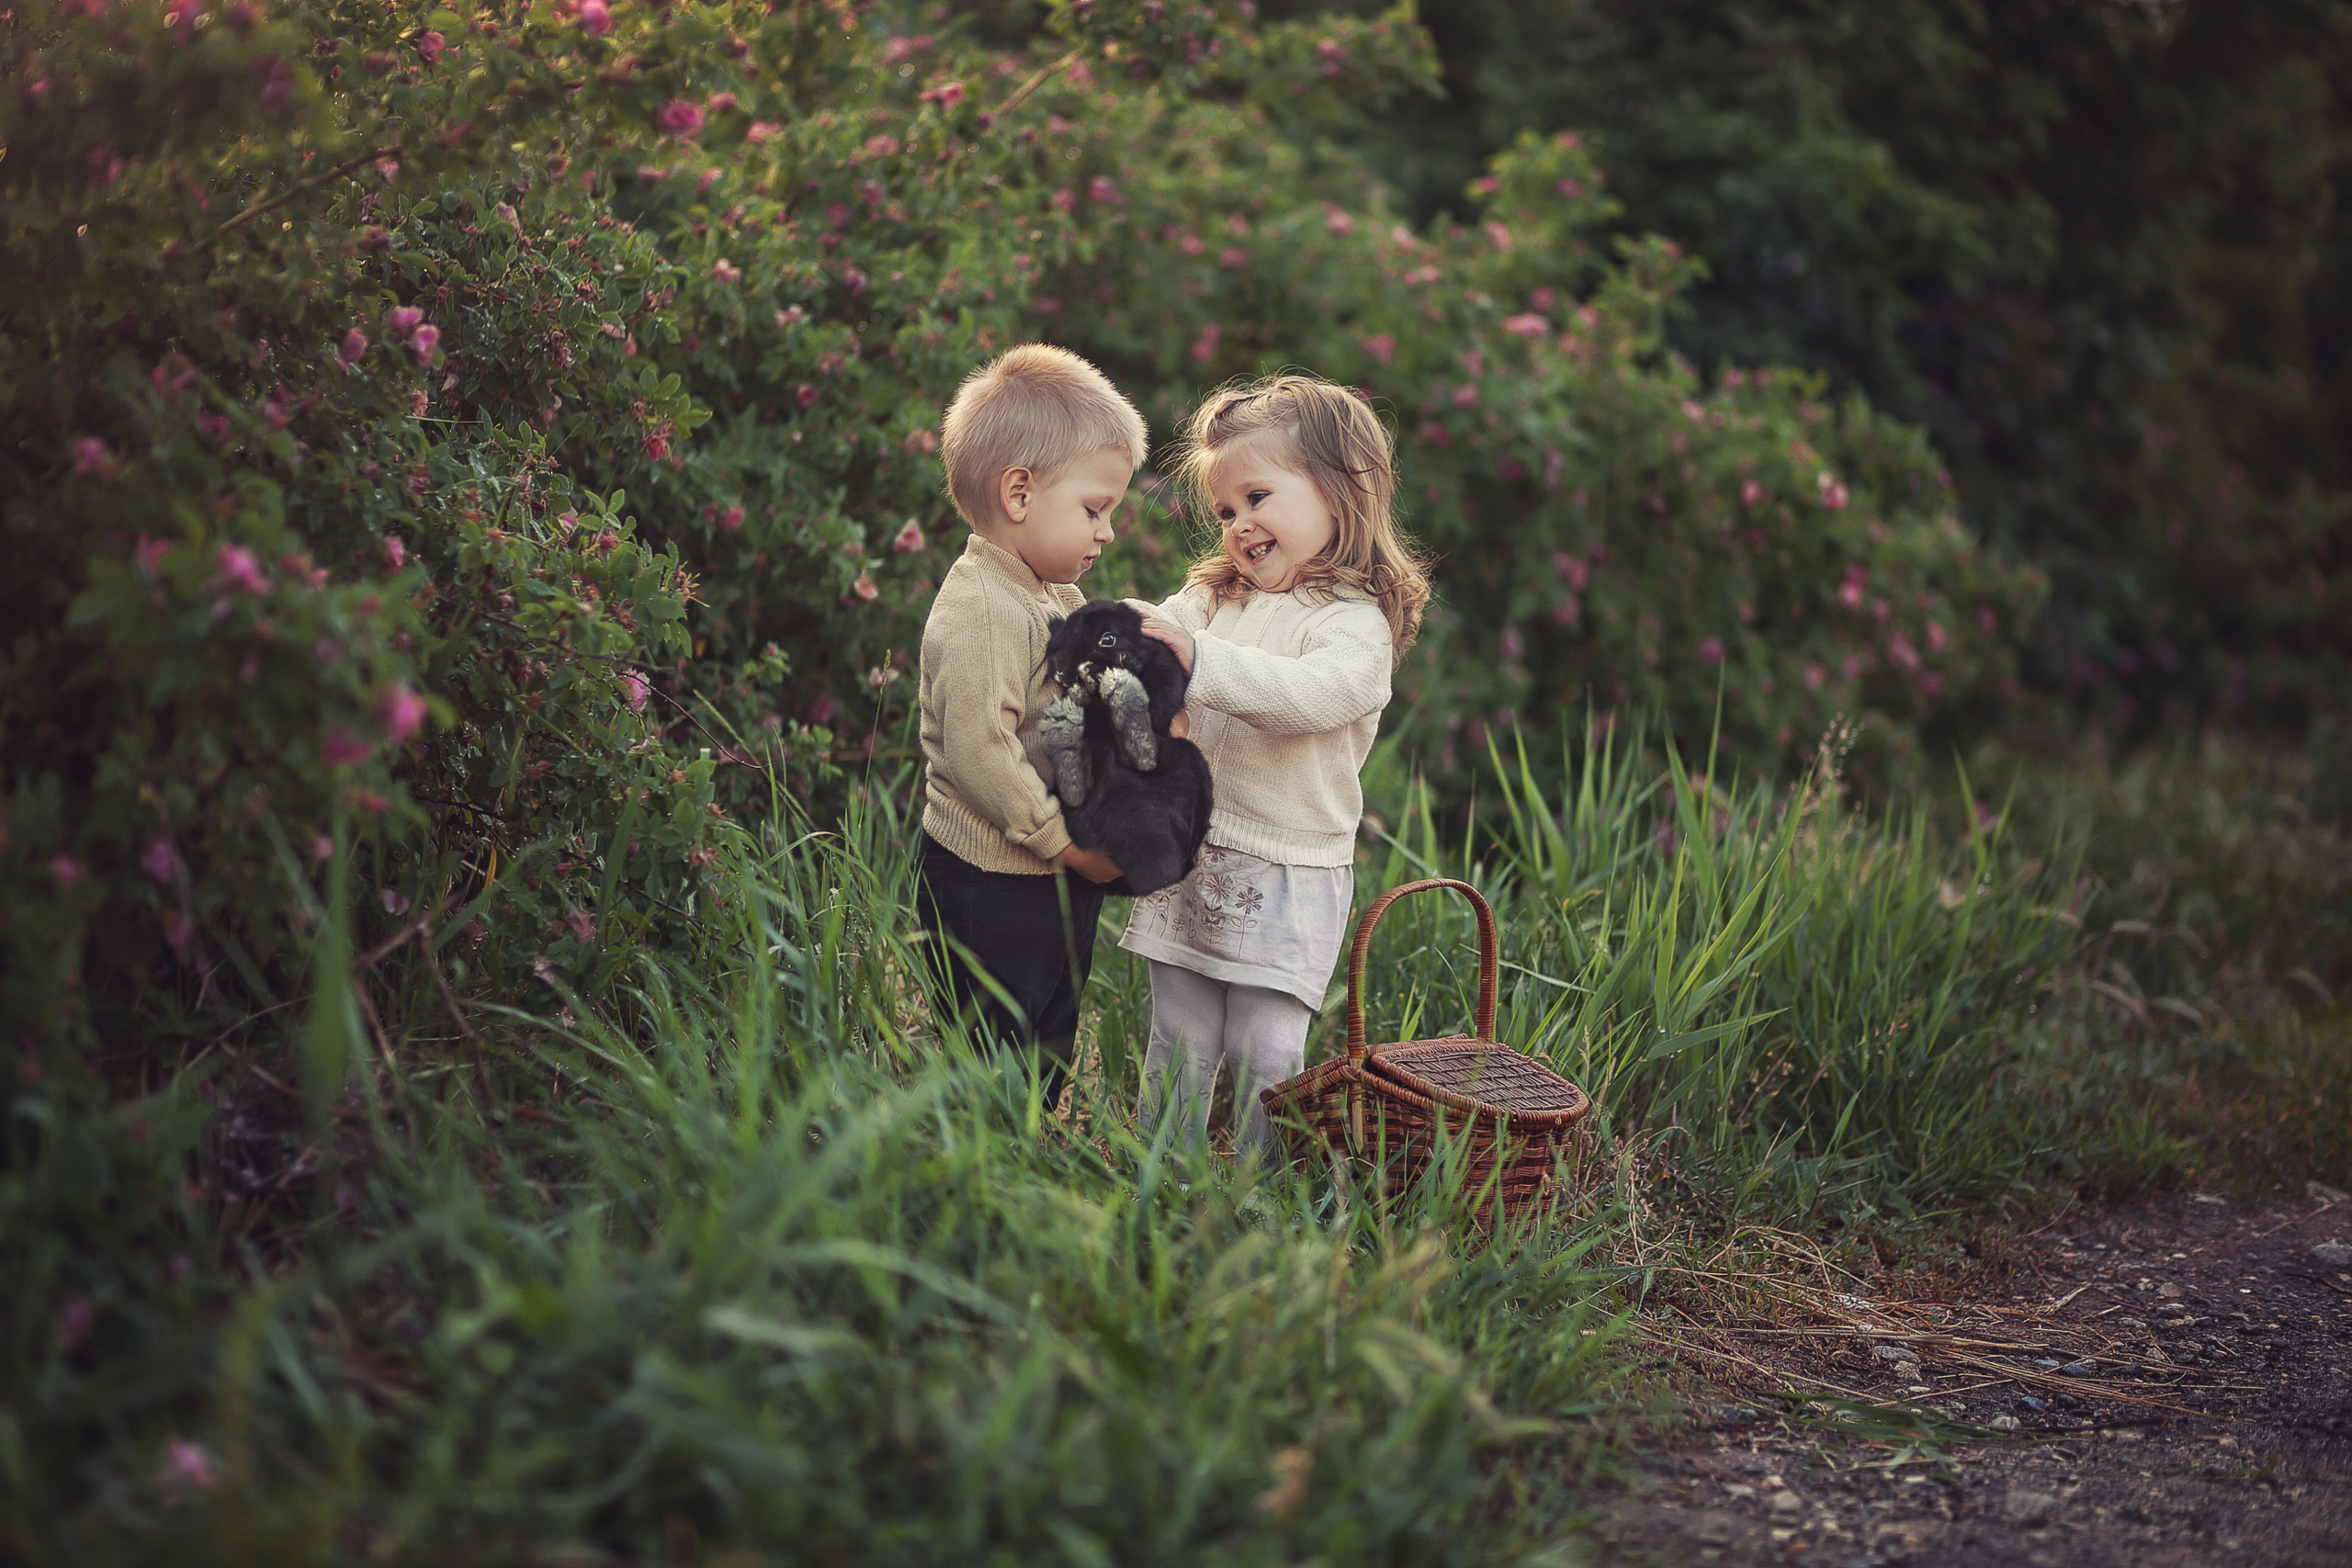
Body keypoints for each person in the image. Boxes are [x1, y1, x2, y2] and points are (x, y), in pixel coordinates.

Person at [1124, 373, 1430, 1157]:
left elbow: (1307, 697)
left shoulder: (1353, 625)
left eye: (1257, 497)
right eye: (1226, 510)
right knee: (1180, 1035)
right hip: (1194, 853)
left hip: (1290, 869)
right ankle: (1164, 1173)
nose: (1238, 524)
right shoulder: (1211, 598)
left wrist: (1195, 661)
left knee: (1268, 1047)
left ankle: (1261, 1193)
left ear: (1339, 491)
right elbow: (1157, 646)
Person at [915, 343, 1146, 1106]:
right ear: (1019, 493)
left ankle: (1026, 1157)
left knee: (1050, 1027)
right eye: (1094, 509)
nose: (1106, 532)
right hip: (991, 881)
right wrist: (1066, 843)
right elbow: (980, 752)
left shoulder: (1054, 597)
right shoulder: (983, 607)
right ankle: (977, 1177)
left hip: (1055, 874)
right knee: (991, 1047)